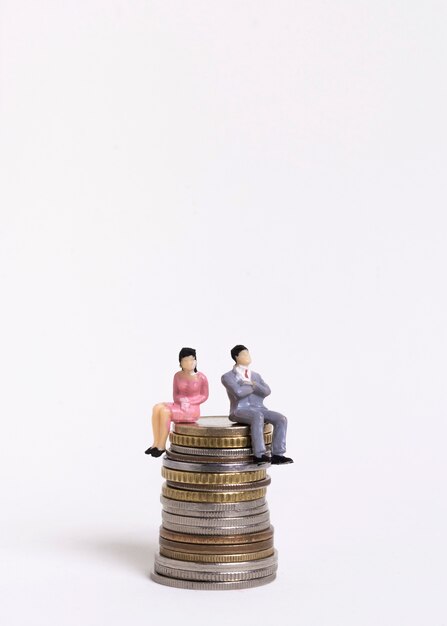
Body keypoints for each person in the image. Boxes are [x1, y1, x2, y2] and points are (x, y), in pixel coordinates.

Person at [221, 345, 293, 465]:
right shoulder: (227, 377)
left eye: (248, 353)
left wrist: (253, 384)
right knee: (257, 416)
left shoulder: (256, 376)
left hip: (258, 408)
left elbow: (267, 391)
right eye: (244, 354)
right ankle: (259, 455)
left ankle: (278, 454)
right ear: (236, 357)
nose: (247, 356)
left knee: (281, 418)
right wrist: (253, 386)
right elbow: (238, 393)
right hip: (239, 410)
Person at [145, 347, 209, 457]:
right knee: (157, 407)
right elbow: (176, 394)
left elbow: (204, 395)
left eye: (192, 359)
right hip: (179, 405)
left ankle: (161, 445)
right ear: (180, 363)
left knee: (165, 411)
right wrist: (181, 400)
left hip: (191, 410)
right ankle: (155, 443)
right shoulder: (177, 375)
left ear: (196, 361)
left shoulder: (201, 377)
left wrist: (190, 401)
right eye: (186, 360)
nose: (190, 363)